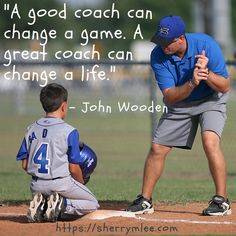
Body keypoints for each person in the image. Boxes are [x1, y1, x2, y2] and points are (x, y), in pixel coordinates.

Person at [126, 15, 231, 216]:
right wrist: (192, 82)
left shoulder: (206, 45)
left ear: (181, 38)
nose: (163, 46)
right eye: (160, 41)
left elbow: (225, 86)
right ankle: (145, 200)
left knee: (210, 142)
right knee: (157, 148)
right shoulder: (158, 55)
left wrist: (206, 74)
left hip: (211, 99)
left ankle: (221, 201)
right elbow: (171, 96)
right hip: (181, 102)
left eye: (167, 42)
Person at [16, 83, 99, 222]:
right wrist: (80, 183)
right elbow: (73, 168)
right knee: (92, 203)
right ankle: (61, 204)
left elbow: (24, 165)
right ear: (64, 106)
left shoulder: (30, 129)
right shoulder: (69, 131)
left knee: (53, 194)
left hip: (36, 185)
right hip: (60, 183)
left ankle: (43, 205)